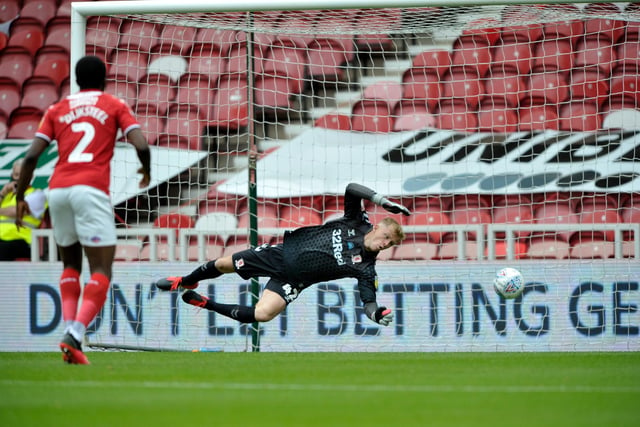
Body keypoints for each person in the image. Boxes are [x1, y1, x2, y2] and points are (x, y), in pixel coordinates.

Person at [15, 56, 151, 365]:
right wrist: (147, 171)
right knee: (101, 269)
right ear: (104, 78)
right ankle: (74, 334)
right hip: (90, 189)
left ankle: (70, 336)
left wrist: (21, 195)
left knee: (70, 266)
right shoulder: (114, 104)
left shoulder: (56, 109)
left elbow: (31, 156)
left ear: (76, 80)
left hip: (58, 190)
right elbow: (141, 145)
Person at [156, 183, 410, 327]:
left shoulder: (365, 268)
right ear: (377, 227)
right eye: (386, 238)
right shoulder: (357, 221)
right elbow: (352, 188)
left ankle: (204, 303)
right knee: (224, 263)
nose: (385, 245)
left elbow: (368, 301)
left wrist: (376, 313)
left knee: (263, 314)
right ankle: (187, 280)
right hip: (279, 254)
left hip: (294, 280)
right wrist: (382, 200)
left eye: (390, 245)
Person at [0, 159, 47, 260]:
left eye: (23, 174)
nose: (19, 178)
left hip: (23, 240)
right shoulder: (6, 195)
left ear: (31, 176)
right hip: (2, 240)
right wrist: (2, 193)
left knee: (3, 249)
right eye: (16, 175)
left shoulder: (37, 194)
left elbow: (17, 211)